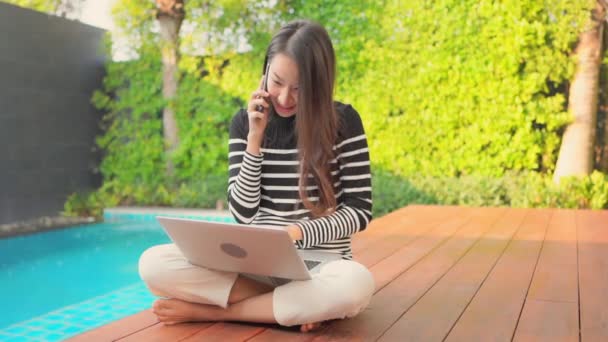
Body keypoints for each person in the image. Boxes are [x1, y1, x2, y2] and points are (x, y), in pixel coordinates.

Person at [138, 19, 374, 333]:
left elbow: (360, 211)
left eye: (299, 89)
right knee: (153, 263)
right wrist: (254, 139)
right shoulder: (245, 122)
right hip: (257, 269)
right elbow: (243, 213)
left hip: (323, 266)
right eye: (277, 82)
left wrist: (296, 233)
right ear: (264, 72)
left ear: (319, 84)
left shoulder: (343, 121)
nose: (285, 98)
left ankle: (216, 313)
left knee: (355, 286)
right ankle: (295, 307)